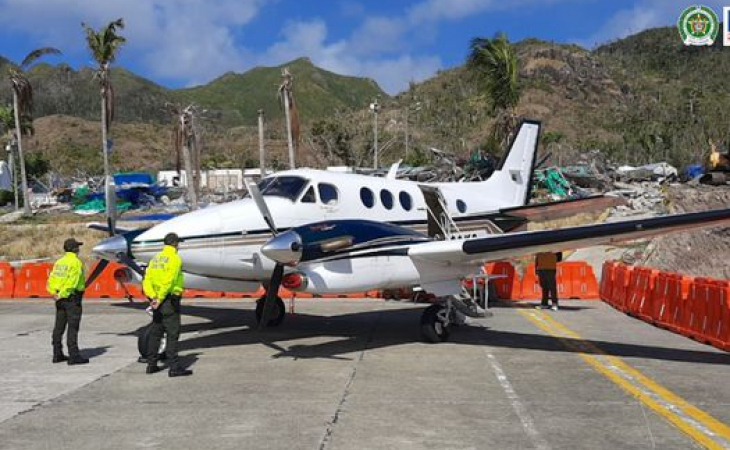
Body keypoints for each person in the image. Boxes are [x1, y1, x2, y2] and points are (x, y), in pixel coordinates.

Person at [142, 232, 192, 377]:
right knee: (172, 333)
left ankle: (151, 364)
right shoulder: (174, 258)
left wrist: (152, 297)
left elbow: (147, 279)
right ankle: (174, 366)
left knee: (156, 333)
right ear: (175, 244)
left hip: (156, 300)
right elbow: (169, 281)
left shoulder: (156, 259)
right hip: (168, 301)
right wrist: (160, 298)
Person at [47, 238, 89, 365]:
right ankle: (74, 355)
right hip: (71, 297)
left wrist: (54, 293)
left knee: (59, 327)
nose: (79, 249)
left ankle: (57, 353)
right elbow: (73, 281)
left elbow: (51, 279)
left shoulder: (60, 262)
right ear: (74, 249)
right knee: (73, 327)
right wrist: (63, 294)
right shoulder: (76, 262)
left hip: (59, 298)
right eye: (78, 247)